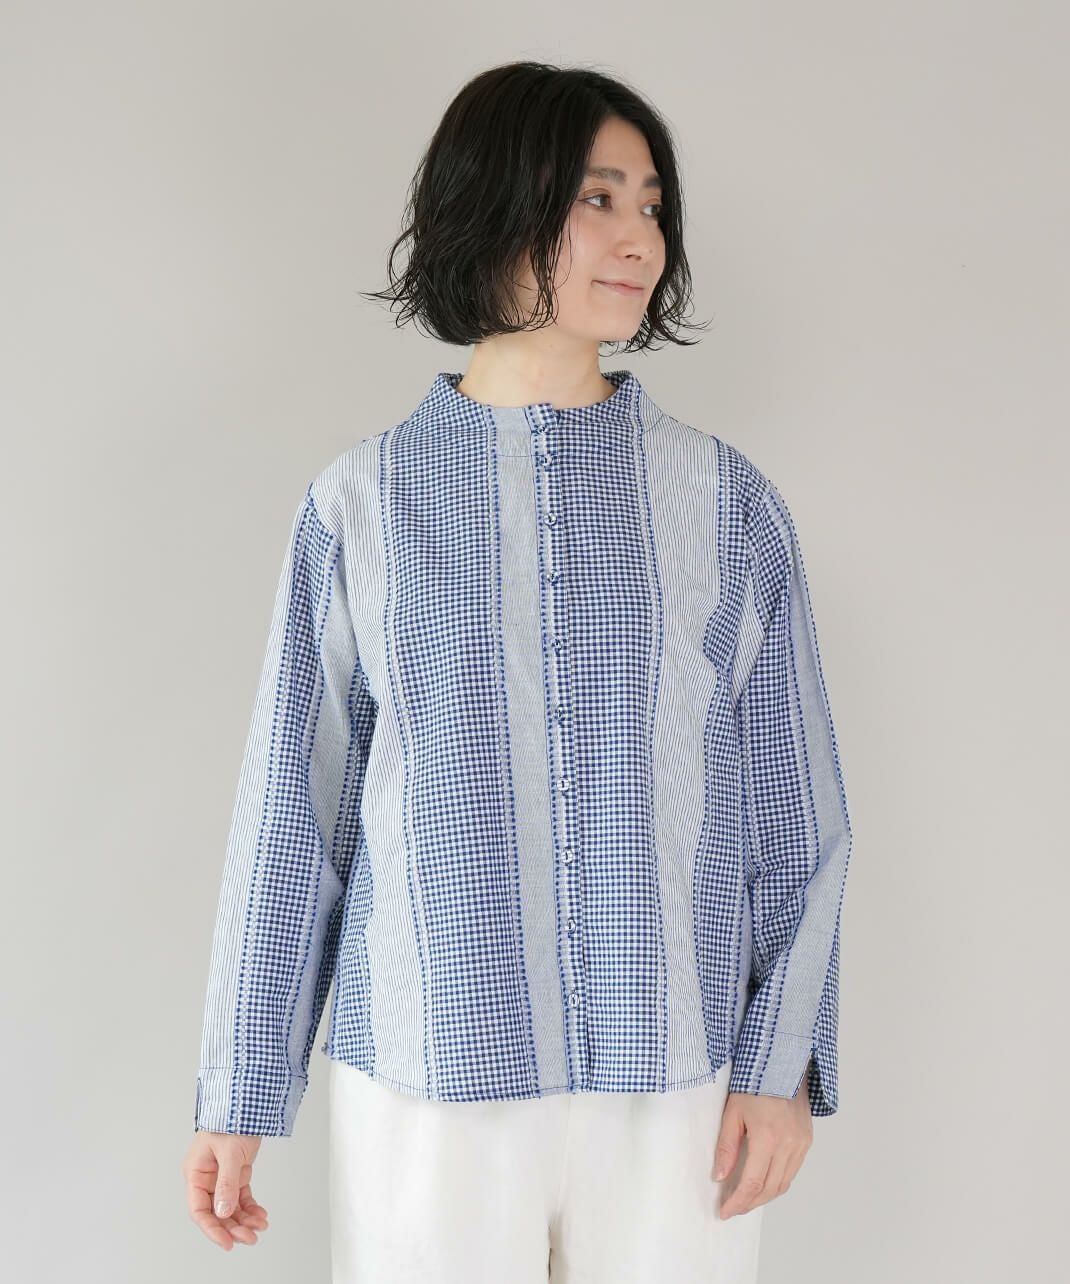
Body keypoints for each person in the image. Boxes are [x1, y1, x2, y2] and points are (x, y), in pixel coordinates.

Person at [180, 60, 853, 1284]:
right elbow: (295, 817)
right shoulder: (360, 505)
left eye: (650, 205)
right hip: (429, 1072)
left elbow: (794, 815)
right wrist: (240, 1089)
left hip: (672, 1078)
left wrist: (777, 1068)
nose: (637, 237)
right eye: (596, 198)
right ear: (493, 206)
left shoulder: (724, 504)